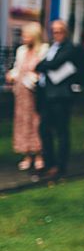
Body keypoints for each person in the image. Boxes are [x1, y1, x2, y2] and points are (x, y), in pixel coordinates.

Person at [33, 19, 84, 178]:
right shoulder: (52, 48)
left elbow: (52, 64)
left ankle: (60, 165)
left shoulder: (70, 48)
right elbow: (41, 64)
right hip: (46, 94)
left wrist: (45, 65)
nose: (56, 34)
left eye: (59, 31)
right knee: (44, 129)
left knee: (61, 131)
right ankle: (48, 161)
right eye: (53, 31)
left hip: (60, 95)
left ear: (66, 32)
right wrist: (44, 65)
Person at [8, 21, 43, 172]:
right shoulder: (21, 50)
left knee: (36, 122)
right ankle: (27, 155)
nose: (23, 38)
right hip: (21, 93)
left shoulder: (42, 50)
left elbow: (43, 72)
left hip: (35, 93)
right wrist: (12, 75)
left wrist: (32, 79)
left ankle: (39, 154)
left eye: (26, 35)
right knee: (22, 122)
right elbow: (17, 67)